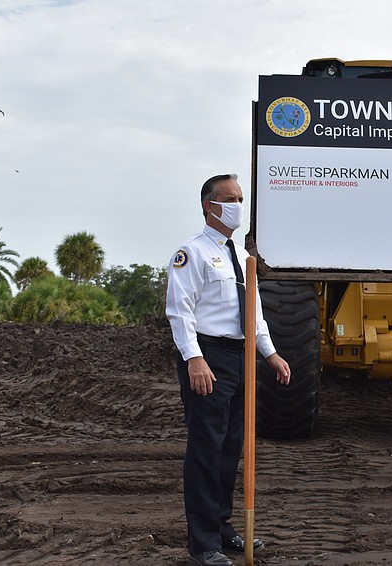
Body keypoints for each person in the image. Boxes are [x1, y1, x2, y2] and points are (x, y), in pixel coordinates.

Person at [166, 174, 291, 566]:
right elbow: (179, 310)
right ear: (209, 206)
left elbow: (251, 312)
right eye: (230, 198)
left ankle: (221, 529)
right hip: (209, 356)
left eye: (240, 198)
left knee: (230, 448)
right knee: (206, 448)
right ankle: (202, 545)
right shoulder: (193, 253)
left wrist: (269, 354)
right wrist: (194, 358)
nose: (238, 204)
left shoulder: (240, 255)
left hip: (240, 358)